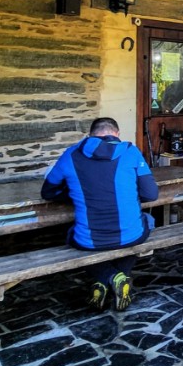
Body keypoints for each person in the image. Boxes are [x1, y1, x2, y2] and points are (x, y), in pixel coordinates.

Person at [41, 117, 156, 312]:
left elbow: (48, 192)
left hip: (89, 240)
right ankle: (118, 277)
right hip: (131, 235)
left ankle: (104, 279)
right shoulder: (130, 152)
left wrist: (77, 193)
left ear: (90, 135)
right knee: (148, 222)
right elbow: (151, 194)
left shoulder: (71, 154)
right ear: (116, 134)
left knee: (72, 236)